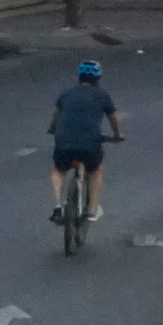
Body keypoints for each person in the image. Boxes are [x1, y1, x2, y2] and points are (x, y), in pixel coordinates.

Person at [48, 60, 122, 224]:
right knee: (95, 169)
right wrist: (117, 135)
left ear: (79, 77)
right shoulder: (102, 95)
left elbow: (55, 115)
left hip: (64, 141)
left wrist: (53, 129)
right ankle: (91, 209)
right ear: (97, 79)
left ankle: (59, 204)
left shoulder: (66, 93)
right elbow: (113, 118)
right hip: (90, 143)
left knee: (59, 170)